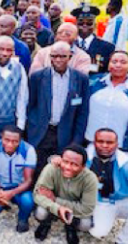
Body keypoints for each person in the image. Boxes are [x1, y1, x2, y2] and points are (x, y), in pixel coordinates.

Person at [27, 42, 89, 178]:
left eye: (62, 56)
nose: (58, 60)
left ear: (70, 56)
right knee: (38, 171)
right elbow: (30, 105)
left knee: (61, 172)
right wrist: (31, 128)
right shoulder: (37, 77)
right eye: (54, 56)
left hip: (66, 133)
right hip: (42, 132)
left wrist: (77, 140)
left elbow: (82, 112)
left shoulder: (80, 79)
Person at [86, 51, 128, 153]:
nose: (118, 65)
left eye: (123, 62)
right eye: (114, 61)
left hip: (122, 146)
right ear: (108, 65)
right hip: (90, 142)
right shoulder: (93, 82)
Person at [33, 145, 97, 244]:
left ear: (83, 166)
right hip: (54, 207)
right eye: (65, 162)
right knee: (40, 213)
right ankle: (46, 223)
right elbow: (38, 194)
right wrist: (58, 209)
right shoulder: (51, 168)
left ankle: (70, 226)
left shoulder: (90, 179)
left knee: (85, 224)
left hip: (72, 209)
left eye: (74, 164)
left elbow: (87, 208)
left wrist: (55, 199)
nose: (67, 167)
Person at [0, 127, 36, 233]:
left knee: (28, 201)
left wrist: (11, 193)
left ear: (20, 141)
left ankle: (23, 219)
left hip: (19, 187)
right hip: (0, 185)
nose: (10, 144)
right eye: (7, 140)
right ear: (1, 138)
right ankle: (0, 207)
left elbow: (28, 180)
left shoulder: (28, 150)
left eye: (15, 141)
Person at [72, 3, 115, 75]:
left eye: (89, 23)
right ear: (75, 24)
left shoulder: (107, 47)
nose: (84, 25)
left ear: (95, 25)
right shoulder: (68, 44)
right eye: (81, 22)